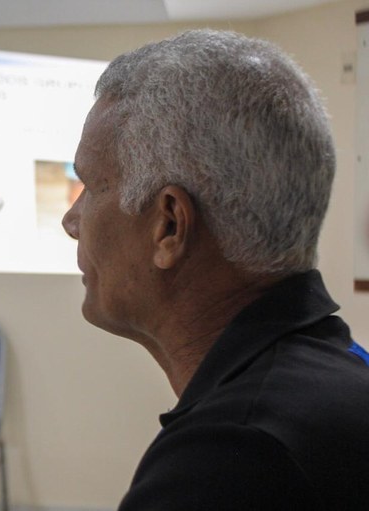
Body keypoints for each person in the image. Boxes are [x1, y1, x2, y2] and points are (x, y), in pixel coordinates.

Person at [62, 29, 369, 510]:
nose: (71, 221)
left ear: (169, 225)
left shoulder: (232, 460)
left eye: (89, 186)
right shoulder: (340, 373)